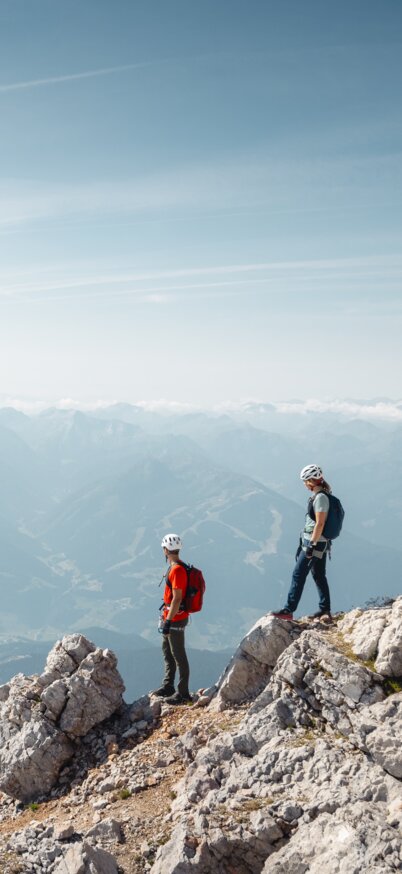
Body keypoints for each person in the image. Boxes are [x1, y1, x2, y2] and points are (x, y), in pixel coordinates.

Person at [272, 464, 332, 622]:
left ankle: (288, 609)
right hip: (318, 543)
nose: (305, 485)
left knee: (298, 575)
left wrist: (311, 545)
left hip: (314, 543)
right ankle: (324, 609)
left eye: (306, 482)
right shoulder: (321, 495)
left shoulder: (320, 498)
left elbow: (320, 524)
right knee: (319, 575)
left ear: (311, 481)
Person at [152, 533, 192, 705]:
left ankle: (183, 693)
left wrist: (168, 621)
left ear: (165, 550)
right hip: (171, 616)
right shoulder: (177, 567)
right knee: (168, 652)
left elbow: (176, 598)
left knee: (178, 654)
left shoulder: (177, 570)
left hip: (175, 618)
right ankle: (168, 686)